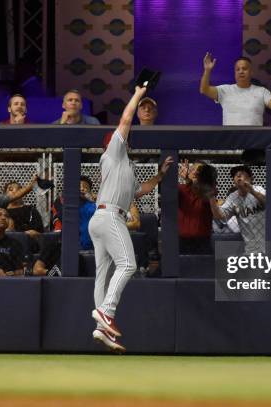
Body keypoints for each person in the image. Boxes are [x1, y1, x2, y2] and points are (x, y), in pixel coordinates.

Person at [88, 85, 174, 353]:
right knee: (128, 264)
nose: (126, 136)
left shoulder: (125, 165)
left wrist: (160, 176)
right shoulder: (113, 151)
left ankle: (102, 330)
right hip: (110, 215)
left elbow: (140, 190)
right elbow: (125, 120)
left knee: (102, 276)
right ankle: (106, 312)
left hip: (102, 217)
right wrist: (137, 95)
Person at [199, 54, 271, 125]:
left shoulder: (262, 91)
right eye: (238, 69)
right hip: (230, 142)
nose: (241, 71)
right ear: (235, 73)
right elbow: (204, 89)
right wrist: (207, 70)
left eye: (244, 69)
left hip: (254, 142)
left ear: (251, 72)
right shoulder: (224, 90)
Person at [209, 165, 266, 254]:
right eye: (235, 175)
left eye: (242, 174)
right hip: (251, 248)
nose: (238, 176)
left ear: (250, 178)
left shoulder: (258, 189)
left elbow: (270, 204)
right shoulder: (233, 197)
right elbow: (220, 216)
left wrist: (252, 191)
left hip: (268, 243)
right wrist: (211, 196)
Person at [178, 159, 216, 254]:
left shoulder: (210, 189)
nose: (195, 172)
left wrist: (187, 179)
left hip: (203, 241)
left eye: (199, 171)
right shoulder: (182, 189)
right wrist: (187, 181)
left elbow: (202, 192)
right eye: (193, 169)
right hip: (182, 241)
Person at [51, 175, 96, 250]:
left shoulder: (93, 205)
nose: (82, 189)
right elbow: (62, 216)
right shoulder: (66, 203)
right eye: (79, 186)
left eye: (85, 187)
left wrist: (92, 198)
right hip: (71, 242)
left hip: (90, 242)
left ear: (90, 191)